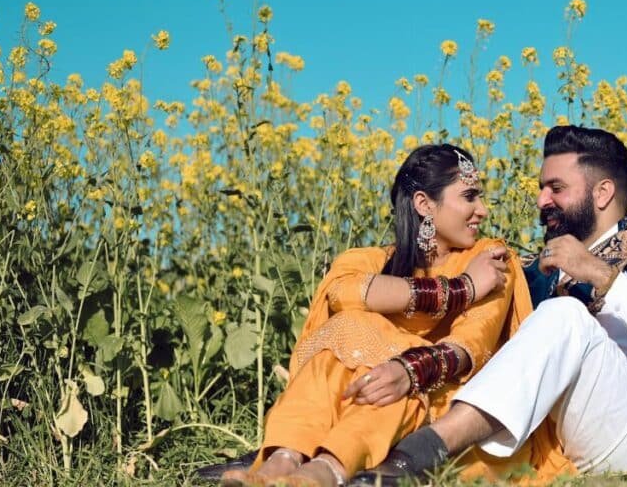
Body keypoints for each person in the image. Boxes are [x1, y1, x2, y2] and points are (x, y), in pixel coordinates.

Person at [353, 125, 627, 484]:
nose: (542, 200)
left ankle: (415, 457)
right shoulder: (546, 266)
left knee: (565, 314)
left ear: (602, 193)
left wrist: (601, 275)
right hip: (561, 439)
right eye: (541, 187)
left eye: (556, 188)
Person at [219, 144, 537, 487]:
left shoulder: (490, 259)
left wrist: (407, 369)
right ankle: (281, 463)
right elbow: (343, 292)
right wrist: (461, 289)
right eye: (469, 197)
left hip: (438, 404)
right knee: (345, 340)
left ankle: (323, 470)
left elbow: (470, 345)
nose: (483, 210)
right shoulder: (371, 259)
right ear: (424, 204)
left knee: (383, 372)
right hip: (368, 391)